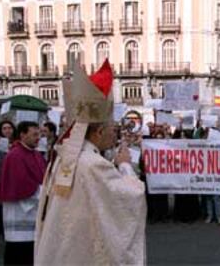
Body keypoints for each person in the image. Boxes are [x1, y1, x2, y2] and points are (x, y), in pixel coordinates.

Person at [35, 61, 147, 265]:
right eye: (113, 129)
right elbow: (132, 198)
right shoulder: (93, 164)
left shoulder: (65, 156)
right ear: (100, 131)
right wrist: (124, 165)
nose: (115, 135)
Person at [0, 121, 46, 265]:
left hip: (34, 212)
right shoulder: (15, 156)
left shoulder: (36, 154)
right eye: (34, 134)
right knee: (19, 255)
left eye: (39, 134)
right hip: (20, 212)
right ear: (23, 135)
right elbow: (19, 184)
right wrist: (44, 191)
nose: (38, 138)